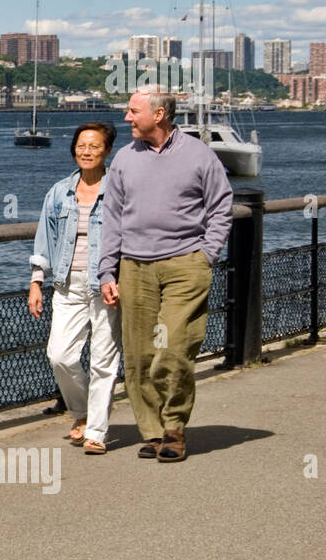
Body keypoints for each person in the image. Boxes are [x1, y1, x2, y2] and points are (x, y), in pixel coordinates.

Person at [98, 89, 232, 463]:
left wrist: (207, 254)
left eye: (132, 111)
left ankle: (174, 427)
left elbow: (221, 206)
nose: (126, 118)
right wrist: (107, 270)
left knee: (173, 349)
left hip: (185, 264)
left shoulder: (198, 155)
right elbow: (112, 219)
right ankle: (154, 432)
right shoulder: (124, 159)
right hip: (133, 267)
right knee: (139, 356)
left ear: (159, 114)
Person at [28, 122, 120, 454]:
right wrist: (36, 281)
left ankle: (96, 430)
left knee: (103, 360)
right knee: (60, 356)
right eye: (81, 145)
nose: (86, 151)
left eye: (95, 146)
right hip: (67, 284)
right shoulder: (58, 192)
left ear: (108, 151)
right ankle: (83, 411)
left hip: (107, 284)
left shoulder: (119, 191)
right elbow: (44, 239)